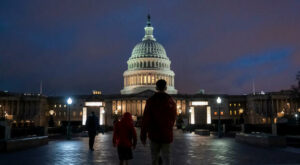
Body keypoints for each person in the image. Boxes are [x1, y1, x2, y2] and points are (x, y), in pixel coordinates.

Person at [140, 79, 177, 165]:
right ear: (166, 87)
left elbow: (146, 119)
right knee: (166, 158)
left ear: (156, 88)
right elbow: (173, 118)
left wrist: (143, 135)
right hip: (166, 134)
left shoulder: (150, 101)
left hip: (154, 134)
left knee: (154, 158)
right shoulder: (171, 101)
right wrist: (168, 127)